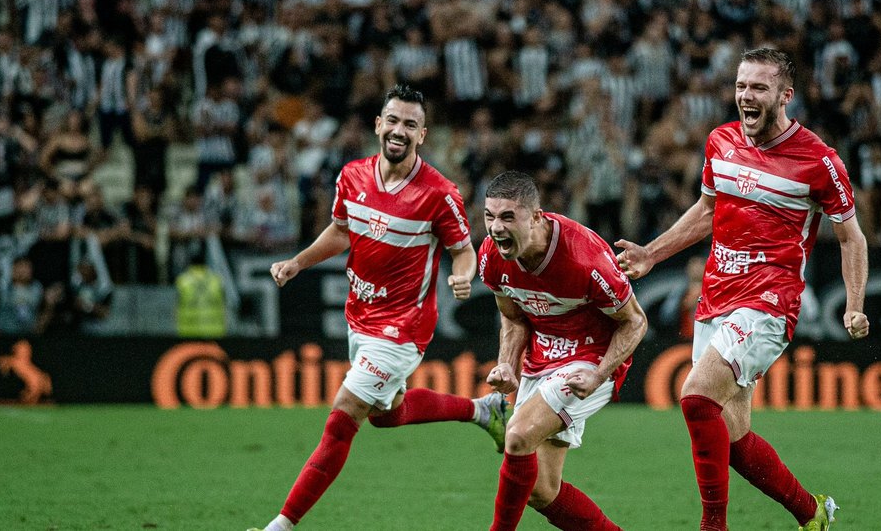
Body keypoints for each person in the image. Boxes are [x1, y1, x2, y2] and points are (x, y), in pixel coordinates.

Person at [615, 48, 870, 531]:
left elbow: (850, 236)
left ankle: (714, 526)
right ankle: (813, 513)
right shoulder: (721, 141)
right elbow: (707, 211)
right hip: (716, 297)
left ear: (784, 96)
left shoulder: (820, 161)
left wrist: (853, 305)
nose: (745, 97)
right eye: (740, 86)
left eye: (758, 88)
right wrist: (651, 253)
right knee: (731, 438)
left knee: (694, 397)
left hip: (769, 302)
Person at [249, 85, 508, 531]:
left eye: (410, 124)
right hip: (361, 317)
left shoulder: (439, 192)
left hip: (404, 326)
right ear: (378, 125)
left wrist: (463, 275)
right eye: (393, 120)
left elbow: (464, 251)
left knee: (343, 414)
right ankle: (483, 411)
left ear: (422, 135)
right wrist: (297, 262)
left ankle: (281, 525)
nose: (399, 131)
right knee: (387, 416)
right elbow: (340, 231)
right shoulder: (351, 175)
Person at [479, 170, 648, 531]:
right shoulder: (492, 256)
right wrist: (507, 365)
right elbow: (513, 318)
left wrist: (600, 373)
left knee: (518, 435)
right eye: (490, 216)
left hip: (590, 359)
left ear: (536, 217)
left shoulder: (584, 259)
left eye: (508, 217)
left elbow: (635, 322)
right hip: (541, 359)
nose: (495, 228)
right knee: (540, 490)